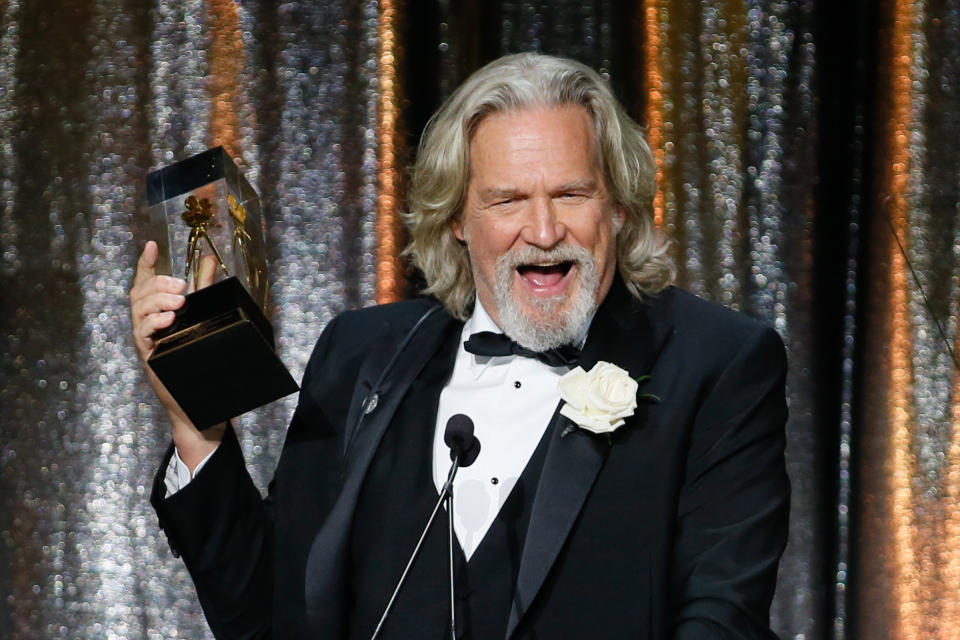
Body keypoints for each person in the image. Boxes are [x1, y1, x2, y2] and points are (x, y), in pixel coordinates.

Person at [130, 53, 789, 639]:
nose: (543, 229)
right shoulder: (361, 354)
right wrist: (198, 426)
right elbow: (271, 617)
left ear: (616, 207)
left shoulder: (716, 361)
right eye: (507, 200)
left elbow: (722, 618)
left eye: (571, 193)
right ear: (456, 221)